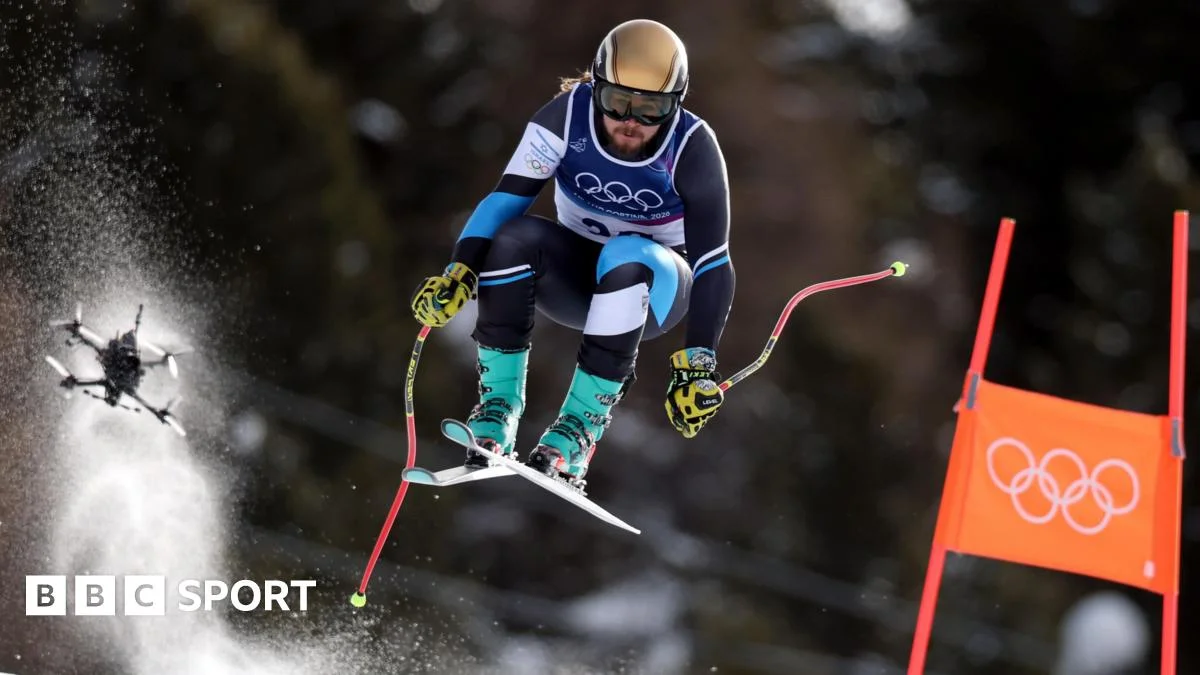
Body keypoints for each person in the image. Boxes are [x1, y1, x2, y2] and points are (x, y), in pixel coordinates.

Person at [410, 18, 735, 486]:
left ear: (676, 104)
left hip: (654, 292)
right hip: (574, 279)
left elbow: (713, 263)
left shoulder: (692, 148)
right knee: (513, 238)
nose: (630, 122)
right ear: (595, 86)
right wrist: (459, 271)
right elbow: (505, 199)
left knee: (627, 253)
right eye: (617, 102)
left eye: (652, 109)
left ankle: (579, 431)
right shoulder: (565, 117)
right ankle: (497, 409)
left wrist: (698, 364)